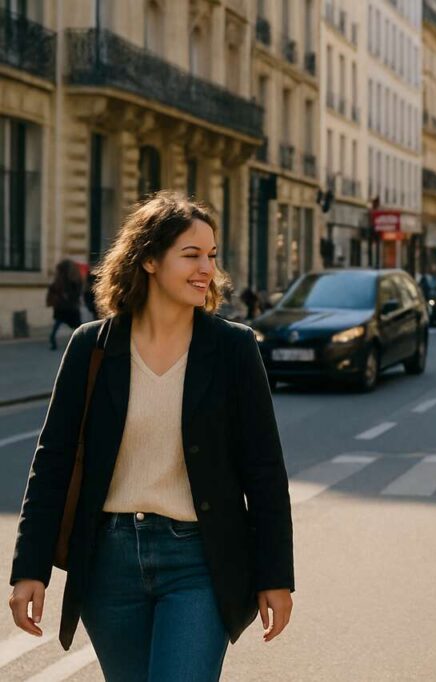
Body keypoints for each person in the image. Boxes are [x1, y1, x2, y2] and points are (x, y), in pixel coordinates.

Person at [9, 191, 294, 680]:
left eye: (211, 255)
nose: (207, 268)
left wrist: (275, 576)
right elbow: (52, 462)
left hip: (198, 563)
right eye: (191, 255)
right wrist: (28, 568)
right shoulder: (91, 347)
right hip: (108, 564)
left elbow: (264, 470)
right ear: (148, 261)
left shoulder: (232, 349)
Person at [46, 259, 83, 350]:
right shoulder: (73, 280)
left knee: (59, 324)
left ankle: (53, 340)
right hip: (69, 307)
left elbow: (76, 293)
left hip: (64, 307)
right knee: (77, 326)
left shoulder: (62, 280)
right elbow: (77, 293)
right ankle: (81, 341)